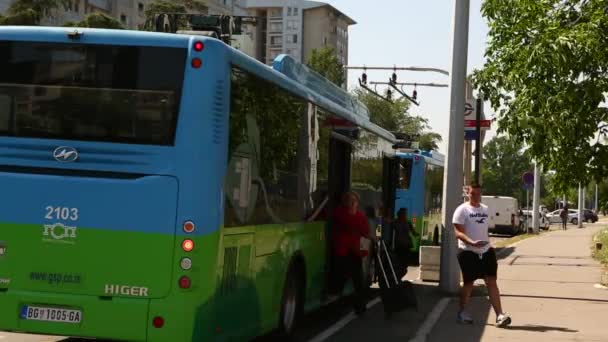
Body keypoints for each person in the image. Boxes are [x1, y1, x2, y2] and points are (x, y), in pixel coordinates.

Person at [453, 183, 511, 327]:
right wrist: (471, 242)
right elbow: (458, 232)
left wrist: (484, 243)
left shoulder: (485, 209)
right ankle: (462, 312)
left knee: (491, 281)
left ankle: (500, 315)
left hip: (486, 251)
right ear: (468, 193)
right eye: (473, 193)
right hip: (467, 251)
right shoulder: (462, 210)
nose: (476, 196)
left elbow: (483, 229)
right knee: (469, 283)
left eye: (479, 194)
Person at [331, 191, 376, 315]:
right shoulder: (340, 213)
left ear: (356, 203)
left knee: (357, 280)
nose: (351, 203)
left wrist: (364, 252)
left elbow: (366, 234)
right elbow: (359, 230)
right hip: (343, 251)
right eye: (349, 200)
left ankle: (359, 307)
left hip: (354, 252)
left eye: (353, 201)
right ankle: (338, 303)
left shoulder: (359, 217)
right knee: (342, 279)